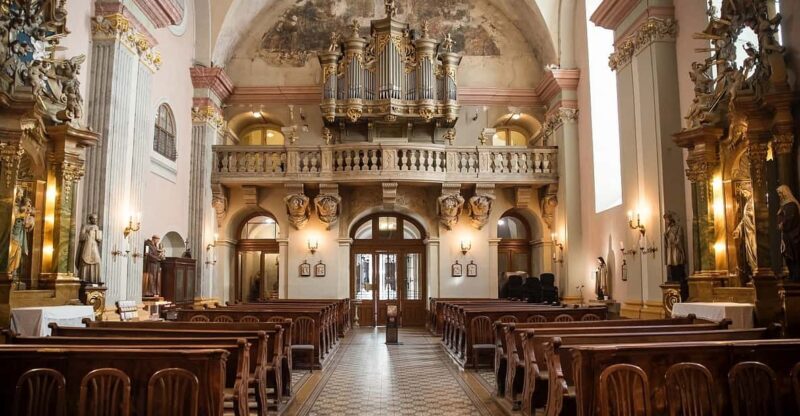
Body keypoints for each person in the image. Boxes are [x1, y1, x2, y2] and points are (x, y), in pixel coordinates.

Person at [777, 185, 800, 281]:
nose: (779, 195)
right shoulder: (785, 205)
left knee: (793, 257)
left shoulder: (791, 205)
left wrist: (782, 224)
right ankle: (792, 274)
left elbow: (789, 219)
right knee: (788, 256)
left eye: (780, 193)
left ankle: (795, 276)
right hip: (786, 236)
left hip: (793, 236)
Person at [77, 213, 102, 284]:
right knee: (85, 262)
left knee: (98, 261)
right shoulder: (85, 226)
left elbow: (98, 240)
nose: (95, 220)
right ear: (90, 219)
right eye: (93, 218)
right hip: (87, 247)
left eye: (96, 219)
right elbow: (81, 237)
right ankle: (84, 279)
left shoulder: (96, 227)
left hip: (94, 246)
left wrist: (98, 236)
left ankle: (94, 280)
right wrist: (88, 233)